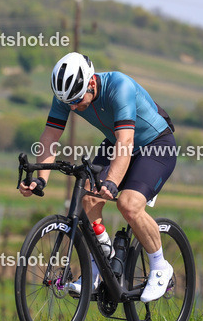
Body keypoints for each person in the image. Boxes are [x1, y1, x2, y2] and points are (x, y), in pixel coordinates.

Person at [19, 52, 177, 302]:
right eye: (67, 102)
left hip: (156, 145)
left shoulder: (119, 86)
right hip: (118, 141)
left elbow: (126, 141)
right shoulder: (67, 95)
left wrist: (112, 182)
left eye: (77, 100)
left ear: (91, 82)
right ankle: (99, 265)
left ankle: (161, 267)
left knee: (128, 204)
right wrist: (41, 179)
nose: (73, 107)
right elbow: (50, 137)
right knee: (88, 198)